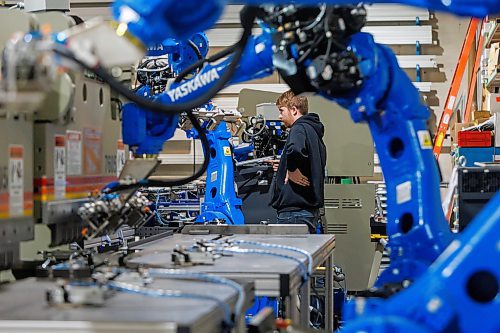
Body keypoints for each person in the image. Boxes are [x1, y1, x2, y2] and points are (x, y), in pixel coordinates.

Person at [269, 90, 327, 233]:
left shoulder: (298, 128)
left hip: (294, 213)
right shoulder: (313, 130)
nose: (279, 116)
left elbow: (295, 149)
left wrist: (292, 169)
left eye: (282, 111)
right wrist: (283, 167)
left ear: (294, 110)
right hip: (308, 211)